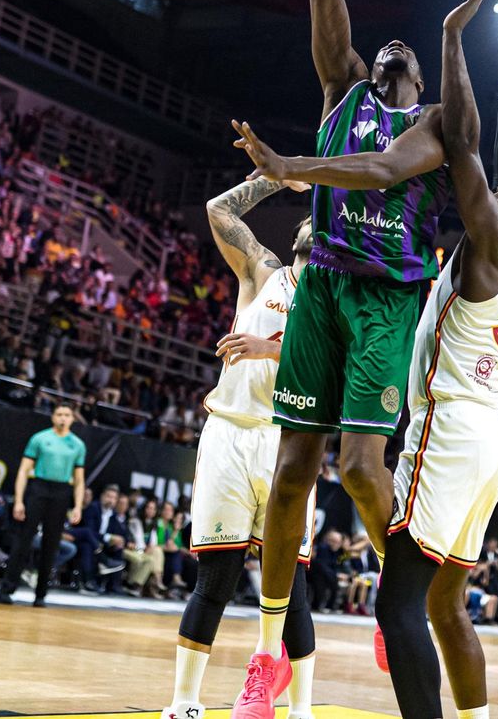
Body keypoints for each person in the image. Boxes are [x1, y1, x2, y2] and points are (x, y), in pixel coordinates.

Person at [252, 0, 498, 719]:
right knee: (447, 607)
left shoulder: (492, 241)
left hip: (450, 429)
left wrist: (454, 39)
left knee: (399, 608)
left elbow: (465, 153)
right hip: (495, 440)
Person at [225, 0, 455, 715]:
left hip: (387, 299)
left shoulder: (435, 124)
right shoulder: (341, 87)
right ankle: (269, 653)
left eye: (407, 51)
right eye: (385, 44)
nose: (394, 47)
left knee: (361, 467)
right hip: (322, 285)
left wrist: (291, 168)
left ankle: (398, 606)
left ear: (420, 78)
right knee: (291, 472)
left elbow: (383, 170)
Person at [160, 174, 318, 719]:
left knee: (291, 584)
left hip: (287, 441)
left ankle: (301, 708)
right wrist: (275, 178)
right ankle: (184, 702)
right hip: (229, 431)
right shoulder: (263, 271)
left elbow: (339, 376)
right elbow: (218, 210)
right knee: (216, 578)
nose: (314, 223)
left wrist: (269, 350)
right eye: (308, 218)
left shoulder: (335, 303)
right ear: (296, 236)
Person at [0, 404, 86, 607]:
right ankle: (7, 589)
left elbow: (79, 480)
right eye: (59, 414)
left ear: (72, 419)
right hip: (38, 488)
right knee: (23, 540)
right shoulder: (40, 438)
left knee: (51, 544)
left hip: (61, 491)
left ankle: (41, 594)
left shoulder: (77, 445)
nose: (63, 418)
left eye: (67, 415)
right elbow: (23, 470)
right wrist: (19, 500)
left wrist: (78, 506)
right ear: (53, 417)